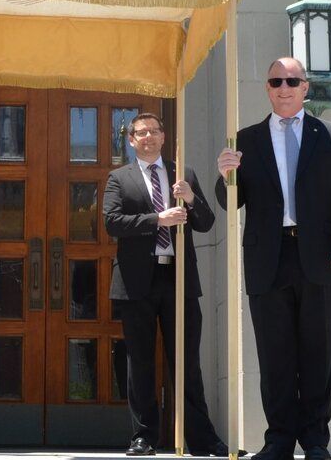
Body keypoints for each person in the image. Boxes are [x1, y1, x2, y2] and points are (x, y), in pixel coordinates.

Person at [215, 57, 331, 460]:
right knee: (275, 356)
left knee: (318, 354)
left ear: (305, 88)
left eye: (292, 80)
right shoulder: (245, 140)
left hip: (321, 258)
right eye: (276, 81)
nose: (284, 87)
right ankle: (278, 440)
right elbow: (232, 201)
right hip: (269, 258)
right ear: (267, 88)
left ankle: (315, 441)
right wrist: (224, 174)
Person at [102, 112, 231, 458]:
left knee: (187, 362)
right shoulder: (119, 178)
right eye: (140, 133)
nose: (148, 137)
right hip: (136, 282)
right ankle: (143, 437)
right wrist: (157, 219)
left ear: (163, 136)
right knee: (140, 361)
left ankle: (202, 439)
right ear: (131, 140)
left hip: (179, 277)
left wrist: (190, 198)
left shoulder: (181, 174)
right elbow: (112, 222)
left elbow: (206, 222)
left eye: (154, 131)